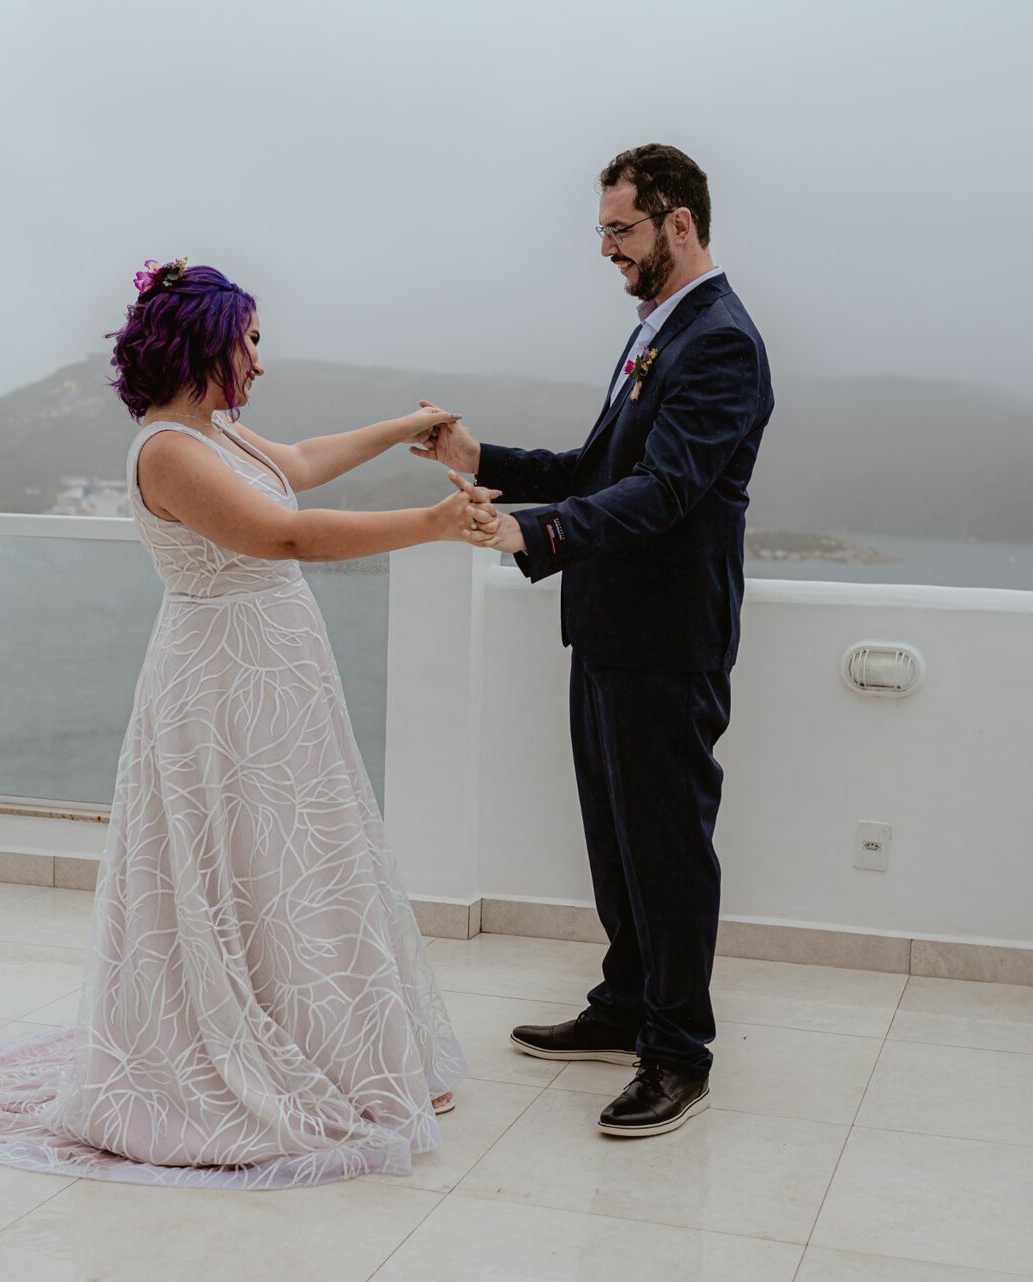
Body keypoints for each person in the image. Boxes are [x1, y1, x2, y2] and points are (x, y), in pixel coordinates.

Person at [0, 258, 483, 1188]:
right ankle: (259, 1062)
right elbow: (283, 536)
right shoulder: (166, 450)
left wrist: (406, 428)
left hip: (279, 677)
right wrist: (434, 523)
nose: (260, 360)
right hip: (220, 687)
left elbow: (302, 466)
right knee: (245, 863)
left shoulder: (223, 435)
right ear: (209, 343)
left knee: (298, 860)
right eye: (250, 341)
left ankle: (345, 1054)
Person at [414, 145, 773, 1137]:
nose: (607, 249)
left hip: (668, 640)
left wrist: (539, 531)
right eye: (604, 230)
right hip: (612, 630)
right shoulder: (659, 332)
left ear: (680, 223)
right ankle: (624, 1002)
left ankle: (677, 1050)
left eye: (622, 229)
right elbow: (594, 463)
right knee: (618, 843)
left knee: (667, 847)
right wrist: (479, 459)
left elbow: (665, 492)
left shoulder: (722, 341)